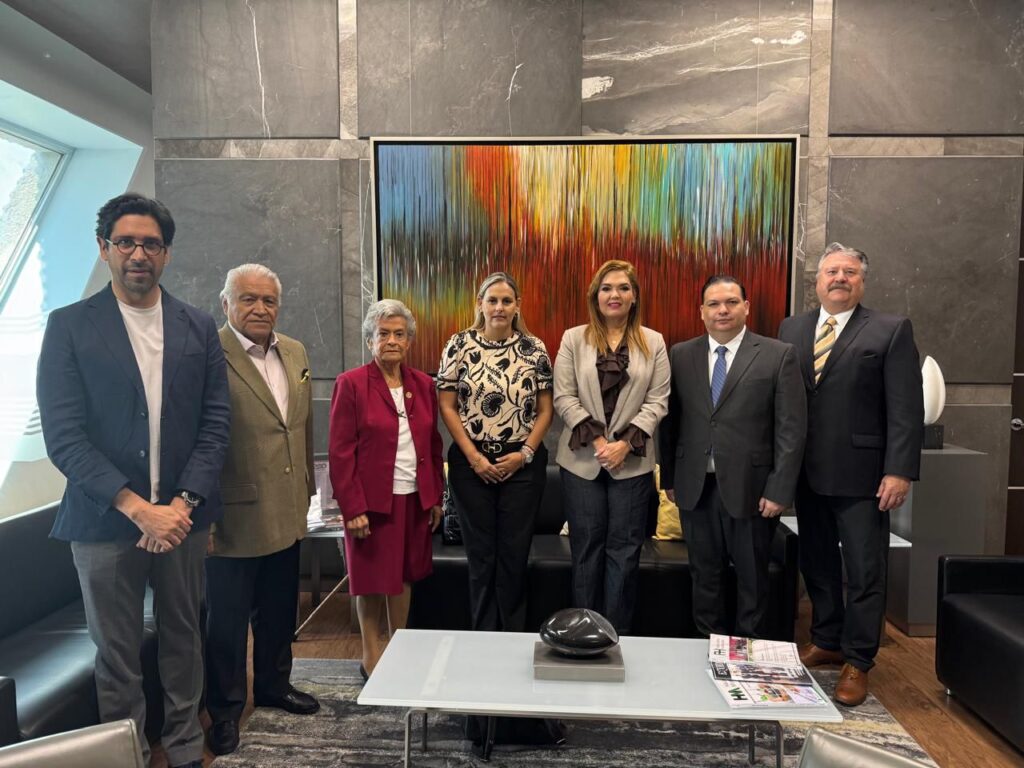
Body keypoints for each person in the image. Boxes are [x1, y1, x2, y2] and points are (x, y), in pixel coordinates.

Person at [36, 193, 230, 768]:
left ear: (166, 253)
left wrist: (180, 504)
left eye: (151, 244)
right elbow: (64, 436)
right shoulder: (69, 327)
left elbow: (215, 424)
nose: (138, 254)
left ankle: (185, 749)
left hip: (184, 521)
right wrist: (137, 507)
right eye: (126, 242)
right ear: (104, 249)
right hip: (102, 521)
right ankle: (126, 756)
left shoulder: (199, 326)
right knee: (116, 655)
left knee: (184, 641)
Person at [779, 243, 923, 707]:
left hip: (864, 476)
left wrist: (899, 470)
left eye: (849, 271)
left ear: (862, 281)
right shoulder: (792, 328)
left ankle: (859, 659)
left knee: (864, 570)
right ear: (817, 280)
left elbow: (906, 407)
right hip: (807, 473)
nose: (839, 278)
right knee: (817, 561)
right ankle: (827, 639)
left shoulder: (889, 329)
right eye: (831, 271)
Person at [204, 264, 319, 756]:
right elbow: (198, 438)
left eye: (268, 300)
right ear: (226, 303)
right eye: (248, 299)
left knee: (278, 610)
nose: (259, 309)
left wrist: (308, 488)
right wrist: (203, 512)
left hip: (287, 506)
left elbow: (301, 424)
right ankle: (225, 711)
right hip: (232, 513)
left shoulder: (294, 351)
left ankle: (274, 686)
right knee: (227, 623)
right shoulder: (208, 354)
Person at [659, 276, 805, 639]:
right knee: (704, 576)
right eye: (713, 304)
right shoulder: (681, 354)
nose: (722, 310)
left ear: (746, 307)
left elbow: (791, 429)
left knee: (752, 578)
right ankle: (709, 648)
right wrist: (671, 479)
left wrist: (780, 489)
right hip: (696, 487)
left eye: (731, 302)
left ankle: (747, 653)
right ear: (702, 312)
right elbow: (670, 422)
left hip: (752, 489)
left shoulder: (777, 354)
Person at [329, 299, 444, 677]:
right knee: (371, 580)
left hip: (414, 497)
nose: (391, 341)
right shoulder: (351, 383)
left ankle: (399, 647)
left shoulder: (423, 384)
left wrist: (435, 497)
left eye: (399, 334)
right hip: (372, 503)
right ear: (370, 341)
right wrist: (352, 508)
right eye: (383, 334)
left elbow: (433, 445)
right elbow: (340, 452)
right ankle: (371, 654)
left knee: (404, 575)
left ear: (409, 341)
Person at [553, 259, 669, 633]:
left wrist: (623, 446)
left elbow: (658, 401)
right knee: (586, 549)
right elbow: (563, 396)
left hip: (632, 463)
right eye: (606, 288)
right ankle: (583, 633)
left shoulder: (654, 341)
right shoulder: (573, 339)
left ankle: (616, 636)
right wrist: (602, 442)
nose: (614, 295)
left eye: (622, 288)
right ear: (595, 296)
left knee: (625, 551)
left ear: (634, 296)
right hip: (581, 461)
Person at [437, 272, 554, 634]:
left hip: (523, 465)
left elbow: (546, 410)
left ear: (517, 305)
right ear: (480, 304)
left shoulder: (534, 348)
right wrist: (475, 458)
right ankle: (483, 638)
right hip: (471, 464)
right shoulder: (458, 345)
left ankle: (514, 638)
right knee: (481, 556)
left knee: (514, 556)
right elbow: (447, 406)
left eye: (506, 300)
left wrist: (525, 454)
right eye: (492, 300)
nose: (499, 307)